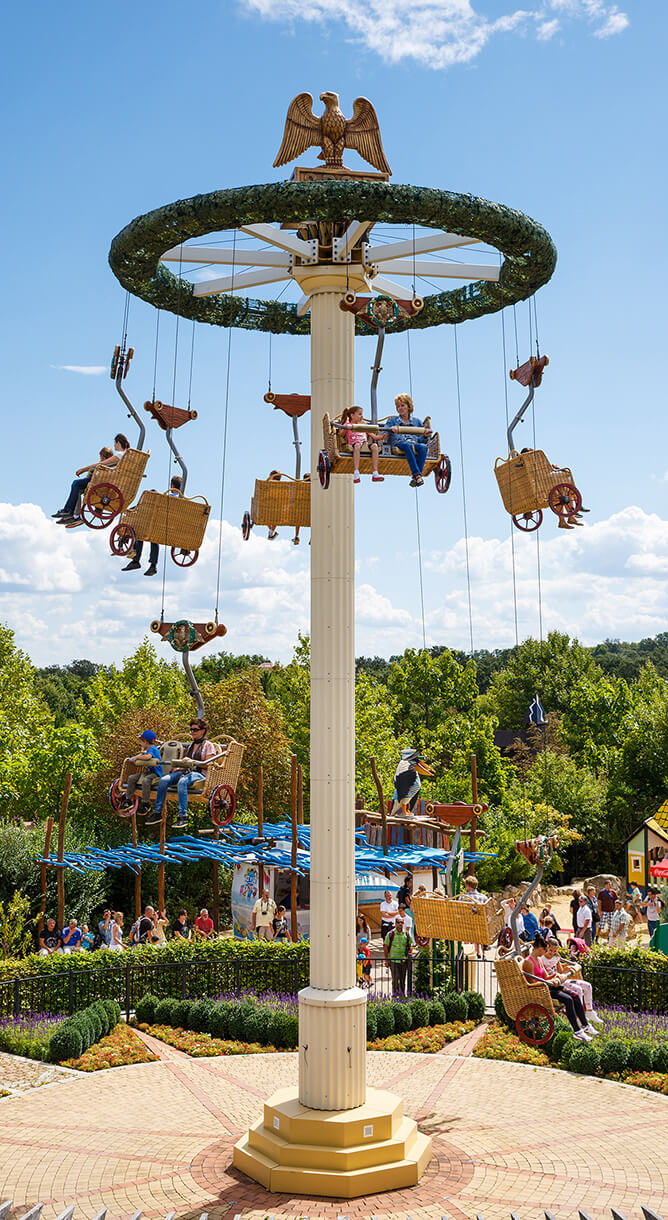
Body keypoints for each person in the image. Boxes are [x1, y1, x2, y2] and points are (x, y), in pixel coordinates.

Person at [147, 717, 218, 830]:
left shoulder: (208, 745)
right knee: (164, 780)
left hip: (200, 774)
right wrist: (178, 768)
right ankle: (157, 813)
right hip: (187, 771)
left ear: (203, 730)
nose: (192, 732)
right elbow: (186, 763)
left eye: (195, 729)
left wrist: (193, 762)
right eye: (191, 729)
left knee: (182, 782)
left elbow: (208, 764)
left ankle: (182, 816)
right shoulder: (190, 746)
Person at [521, 932, 594, 1041]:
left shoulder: (539, 960)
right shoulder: (528, 962)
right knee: (568, 1000)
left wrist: (557, 976)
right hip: (541, 990)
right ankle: (577, 1031)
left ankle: (585, 1025)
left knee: (574, 995)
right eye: (544, 950)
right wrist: (550, 982)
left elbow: (546, 976)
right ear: (538, 948)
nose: (545, 952)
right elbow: (532, 984)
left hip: (547, 986)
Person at [122, 474, 182, 576]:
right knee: (153, 538)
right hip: (165, 525)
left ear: (172, 486)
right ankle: (152, 566)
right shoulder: (181, 499)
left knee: (141, 530)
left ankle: (136, 560)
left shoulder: (170, 497)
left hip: (159, 520)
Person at [53, 444, 120, 526]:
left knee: (76, 483)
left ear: (108, 456)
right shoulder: (107, 464)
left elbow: (101, 470)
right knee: (77, 489)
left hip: (98, 482)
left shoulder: (111, 463)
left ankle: (68, 510)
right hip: (96, 481)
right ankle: (75, 516)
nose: (101, 459)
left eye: (102, 457)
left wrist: (87, 470)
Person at [542, 937, 603, 1025]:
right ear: (546, 948)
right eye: (550, 950)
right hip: (554, 983)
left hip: (561, 980)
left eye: (554, 951)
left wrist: (566, 969)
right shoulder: (542, 959)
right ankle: (579, 1016)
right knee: (578, 989)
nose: (552, 953)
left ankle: (589, 1011)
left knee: (588, 986)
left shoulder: (556, 957)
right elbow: (545, 976)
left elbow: (560, 972)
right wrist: (558, 976)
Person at [380, 393, 432, 487]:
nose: (400, 408)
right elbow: (384, 432)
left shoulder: (417, 422)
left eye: (402, 405)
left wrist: (425, 435)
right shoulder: (392, 420)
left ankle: (416, 476)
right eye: (398, 406)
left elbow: (422, 440)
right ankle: (417, 475)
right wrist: (389, 430)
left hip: (414, 443)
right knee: (407, 445)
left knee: (423, 447)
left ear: (408, 406)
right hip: (399, 443)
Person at [121, 730, 163, 816]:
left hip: (155, 773)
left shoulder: (153, 749)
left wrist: (138, 758)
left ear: (146, 742)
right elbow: (146, 754)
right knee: (131, 778)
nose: (141, 744)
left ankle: (146, 804)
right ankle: (128, 800)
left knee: (146, 780)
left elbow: (148, 757)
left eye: (142, 742)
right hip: (147, 772)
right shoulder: (148, 749)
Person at [339, 405, 383, 484]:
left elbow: (374, 437)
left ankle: (375, 472)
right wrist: (346, 428)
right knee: (357, 446)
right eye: (359, 414)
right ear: (352, 415)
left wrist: (382, 436)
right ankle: (356, 472)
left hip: (364, 444)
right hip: (354, 443)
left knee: (375, 446)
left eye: (362, 414)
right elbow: (341, 435)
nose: (361, 416)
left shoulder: (363, 425)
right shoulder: (347, 424)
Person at [458, 874, 487, 958]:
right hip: (480, 924)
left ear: (467, 886)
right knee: (480, 935)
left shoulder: (463, 898)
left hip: (468, 924)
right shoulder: (483, 897)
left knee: (467, 935)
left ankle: (469, 954)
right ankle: (482, 953)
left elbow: (459, 911)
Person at [384, 914, 414, 995]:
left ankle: (402, 996)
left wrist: (409, 954)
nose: (400, 924)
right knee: (395, 980)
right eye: (398, 922)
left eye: (402, 922)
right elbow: (386, 946)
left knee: (402, 980)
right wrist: (386, 960)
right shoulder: (390, 934)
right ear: (395, 923)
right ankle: (395, 996)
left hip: (403, 961)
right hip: (393, 960)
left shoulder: (406, 934)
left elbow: (410, 946)